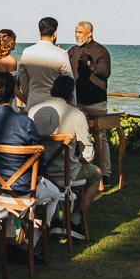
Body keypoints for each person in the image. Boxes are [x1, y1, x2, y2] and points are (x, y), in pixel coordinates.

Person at [0, 71, 61, 241]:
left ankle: (9, 239)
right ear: (13, 94)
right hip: (22, 190)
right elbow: (40, 162)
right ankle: (31, 239)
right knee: (55, 194)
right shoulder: (25, 124)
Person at [28, 75, 102, 239]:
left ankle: (55, 219)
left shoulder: (33, 111)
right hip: (67, 174)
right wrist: (80, 159)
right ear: (70, 96)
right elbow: (88, 154)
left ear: (51, 91)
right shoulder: (76, 115)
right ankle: (75, 218)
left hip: (40, 174)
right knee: (97, 174)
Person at [67, 21, 112, 185]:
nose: (77, 35)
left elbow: (105, 72)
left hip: (95, 101)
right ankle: (78, 169)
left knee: (100, 135)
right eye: (76, 31)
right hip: (75, 101)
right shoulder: (72, 51)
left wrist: (88, 63)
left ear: (89, 33)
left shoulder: (101, 51)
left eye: (80, 32)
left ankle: (105, 173)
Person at [18, 16, 74, 111]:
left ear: (39, 32)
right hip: (55, 106)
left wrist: (29, 95)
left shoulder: (27, 52)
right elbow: (69, 83)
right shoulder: (61, 54)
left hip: (33, 103)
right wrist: (73, 105)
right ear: (55, 33)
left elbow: (24, 82)